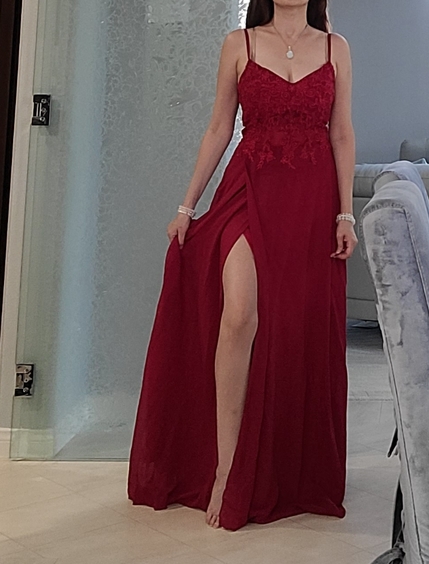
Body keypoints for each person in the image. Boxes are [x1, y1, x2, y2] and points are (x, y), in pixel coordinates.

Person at [127, 0, 357, 532]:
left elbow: (342, 133)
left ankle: (283, 468)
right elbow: (218, 129)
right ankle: (225, 469)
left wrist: (345, 213)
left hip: (311, 200)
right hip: (247, 189)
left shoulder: (336, 48)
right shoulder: (240, 43)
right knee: (238, 316)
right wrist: (187, 206)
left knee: (296, 330)